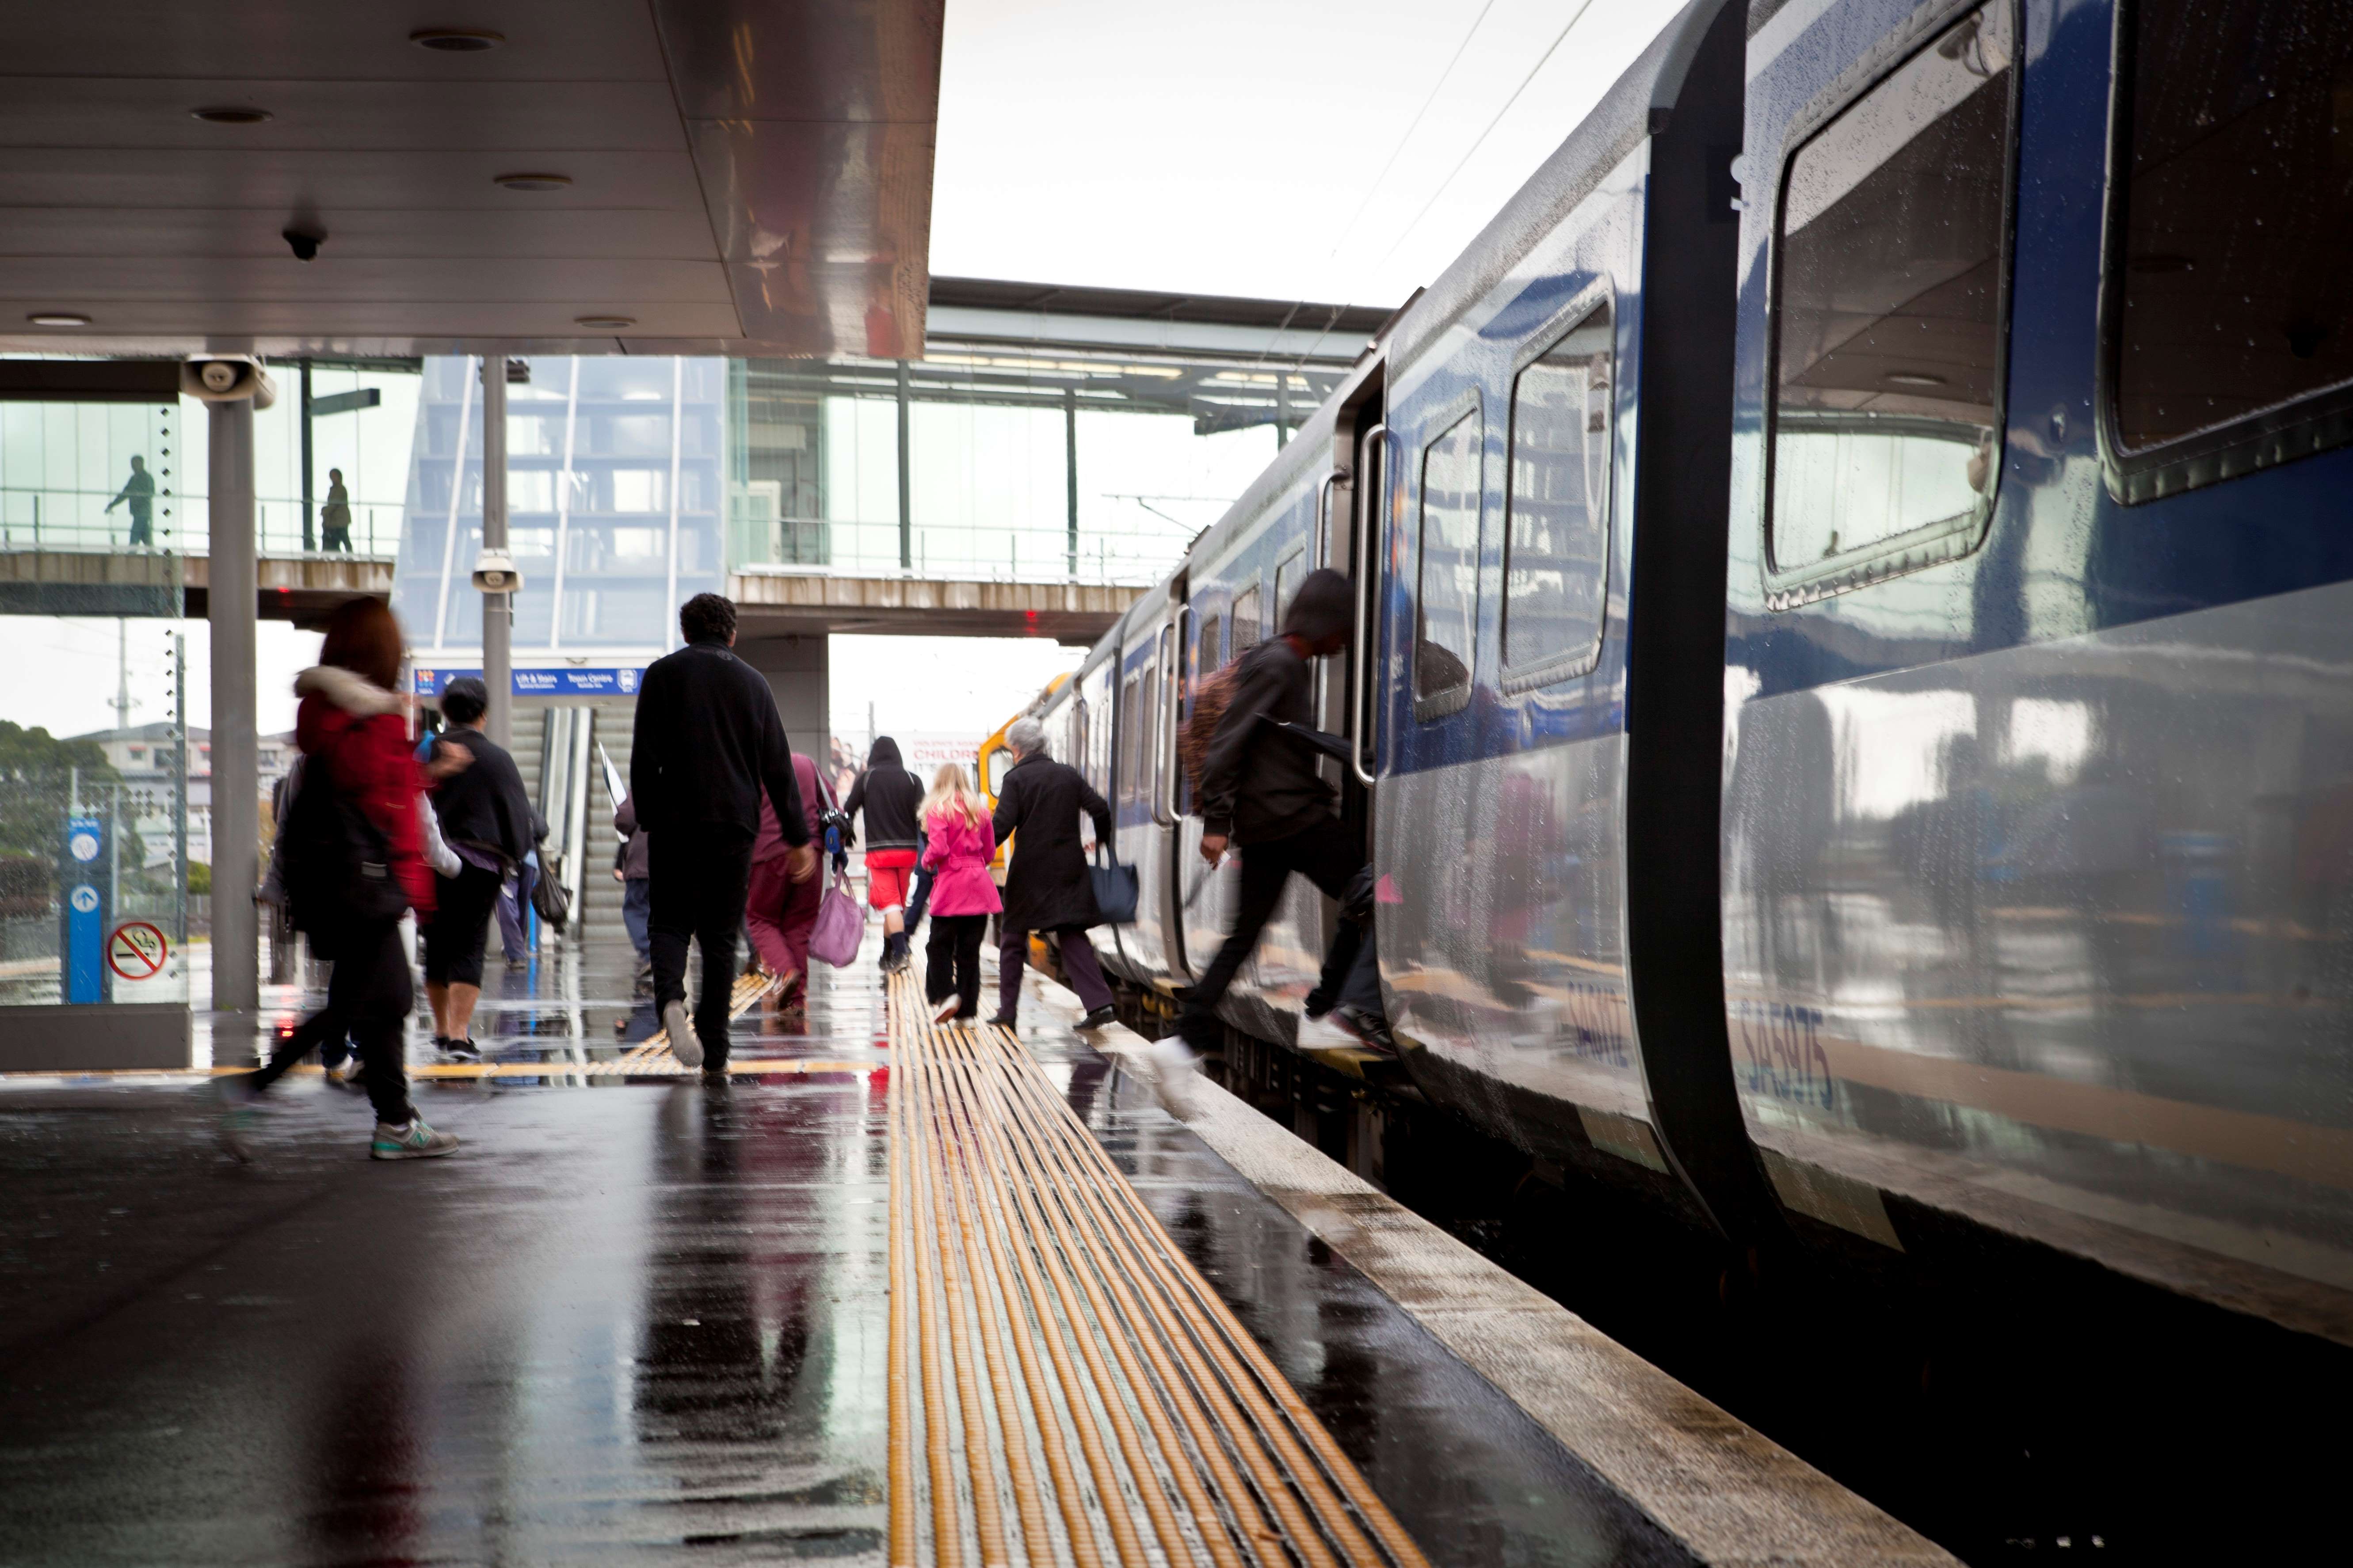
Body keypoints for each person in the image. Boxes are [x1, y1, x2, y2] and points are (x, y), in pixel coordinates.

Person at [221, 598, 459, 1161]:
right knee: (369, 1000)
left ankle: (395, 1121)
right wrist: (413, 753)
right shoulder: (367, 719)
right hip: (365, 888)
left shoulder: (329, 716)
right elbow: (381, 797)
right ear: (381, 653)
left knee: (385, 1000)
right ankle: (252, 1088)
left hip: (341, 885)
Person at [1180, 567, 1393, 1077]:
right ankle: (1335, 1011)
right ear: (1325, 621)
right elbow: (1228, 743)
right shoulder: (1281, 664)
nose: (1345, 640)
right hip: (1292, 819)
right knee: (1376, 893)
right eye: (1343, 626)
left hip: (1270, 825)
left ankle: (1183, 1039)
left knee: (1243, 936)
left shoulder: (1278, 661)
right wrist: (1217, 822)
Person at [629, 592, 816, 1073]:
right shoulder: (754, 683)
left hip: (674, 822)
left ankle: (672, 1001)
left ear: (686, 632)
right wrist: (798, 838)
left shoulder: (662, 674)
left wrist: (648, 816)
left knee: (669, 923)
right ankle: (715, 1048)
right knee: (719, 937)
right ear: (732, 634)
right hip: (734, 825)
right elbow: (778, 767)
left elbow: (644, 756)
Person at [422, 677, 534, 1059]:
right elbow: (518, 816)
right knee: (469, 945)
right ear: (483, 714)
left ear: (445, 711)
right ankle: (459, 1036)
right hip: (480, 864)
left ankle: (440, 1030)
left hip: (430, 861)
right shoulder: (498, 759)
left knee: (436, 944)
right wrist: (515, 855)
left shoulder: (429, 753)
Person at [989, 717, 1118, 1033]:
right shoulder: (1067, 775)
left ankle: (1007, 1011)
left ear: (1016, 749)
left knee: (1013, 937)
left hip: (1029, 870)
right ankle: (1100, 1004)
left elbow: (1001, 826)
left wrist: (977, 853)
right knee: (1071, 933)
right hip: (1067, 867)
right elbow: (1100, 809)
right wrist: (1101, 839)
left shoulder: (1015, 779)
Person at [747, 750, 834, 1016]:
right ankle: (795, 1001)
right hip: (811, 853)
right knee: (799, 926)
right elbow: (832, 804)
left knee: (760, 919)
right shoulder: (809, 764)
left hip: (769, 852)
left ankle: (786, 972)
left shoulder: (756, 764)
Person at [919, 763, 1000, 1024]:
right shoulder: (981, 812)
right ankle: (967, 1015)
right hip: (979, 885)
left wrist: (926, 862)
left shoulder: (938, 810)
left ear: (940, 783)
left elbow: (939, 848)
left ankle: (947, 994)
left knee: (938, 945)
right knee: (969, 952)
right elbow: (990, 852)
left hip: (952, 887)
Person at [843, 737, 923, 972]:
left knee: (891, 906)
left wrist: (846, 834)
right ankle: (888, 953)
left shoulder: (867, 779)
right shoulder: (912, 779)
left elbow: (848, 810)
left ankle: (901, 952)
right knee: (896, 906)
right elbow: (924, 817)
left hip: (880, 853)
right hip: (908, 852)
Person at [613, 790, 653, 996]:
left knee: (636, 909)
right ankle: (667, 958)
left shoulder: (646, 783)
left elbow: (625, 819)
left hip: (643, 861)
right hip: (675, 861)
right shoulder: (689, 780)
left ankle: (651, 954)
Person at [103, 455, 155, 547]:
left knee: (135, 536)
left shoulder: (146, 478)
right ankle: (150, 555)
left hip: (142, 513)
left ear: (141, 464)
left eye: (135, 463)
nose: (133, 466)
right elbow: (125, 494)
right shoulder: (134, 479)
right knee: (147, 541)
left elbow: (150, 493)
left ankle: (132, 554)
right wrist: (112, 505)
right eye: (132, 464)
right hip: (141, 513)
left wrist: (138, 496)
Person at [321, 467, 352, 552]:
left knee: (344, 538)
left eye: (334, 476)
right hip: (336, 521)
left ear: (339, 477)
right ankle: (344, 556)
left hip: (340, 521)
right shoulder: (335, 489)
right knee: (337, 541)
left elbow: (334, 504)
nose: (332, 478)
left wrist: (325, 511)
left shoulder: (340, 489)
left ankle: (350, 556)